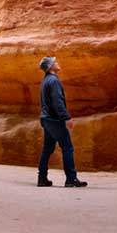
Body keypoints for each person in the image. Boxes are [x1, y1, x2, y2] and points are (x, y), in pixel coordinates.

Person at [37, 56, 87, 187]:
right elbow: (57, 102)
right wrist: (66, 117)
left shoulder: (45, 81)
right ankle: (71, 179)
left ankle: (42, 179)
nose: (57, 63)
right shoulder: (53, 81)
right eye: (55, 62)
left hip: (46, 119)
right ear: (50, 67)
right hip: (54, 120)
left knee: (47, 150)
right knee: (67, 148)